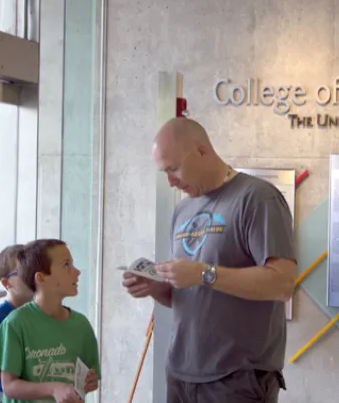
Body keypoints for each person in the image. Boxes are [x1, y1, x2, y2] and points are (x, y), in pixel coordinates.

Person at [122, 117, 297, 403]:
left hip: (236, 377)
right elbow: (190, 295)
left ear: (202, 151)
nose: (170, 180)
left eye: (173, 168)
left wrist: (205, 273)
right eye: (163, 172)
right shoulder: (183, 210)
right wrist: (155, 287)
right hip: (181, 373)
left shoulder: (257, 198)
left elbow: (282, 283)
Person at [0, 239, 101, 403]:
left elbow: (91, 379)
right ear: (41, 278)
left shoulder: (81, 325)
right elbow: (10, 386)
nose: (77, 272)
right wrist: (53, 388)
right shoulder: (15, 323)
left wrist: (90, 381)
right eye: (66, 265)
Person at [0, 244, 33, 392]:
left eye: (33, 270)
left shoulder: (40, 314)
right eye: (23, 272)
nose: (31, 276)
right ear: (6, 283)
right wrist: (13, 365)